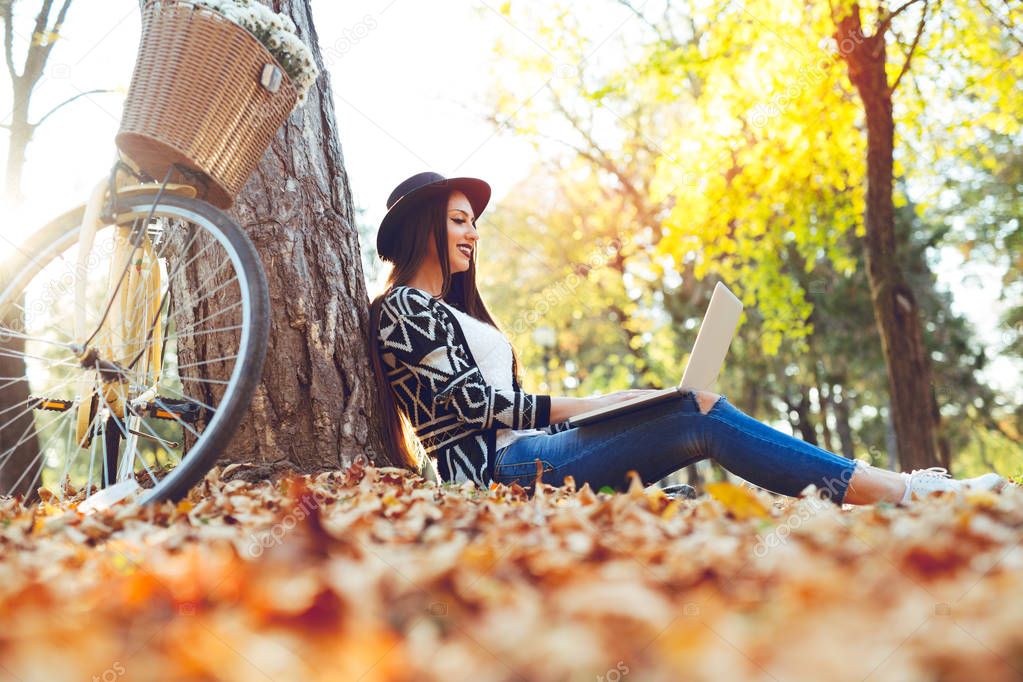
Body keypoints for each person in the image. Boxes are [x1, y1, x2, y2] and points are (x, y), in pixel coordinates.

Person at [367, 171, 1008, 505]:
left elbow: (510, 408)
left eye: (474, 223)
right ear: (423, 224)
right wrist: (601, 403)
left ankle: (892, 488)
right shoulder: (400, 309)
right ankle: (901, 493)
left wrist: (619, 404)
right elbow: (476, 410)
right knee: (697, 412)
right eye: (458, 221)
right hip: (492, 474)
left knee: (688, 408)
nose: (472, 235)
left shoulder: (462, 314)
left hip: (528, 454)